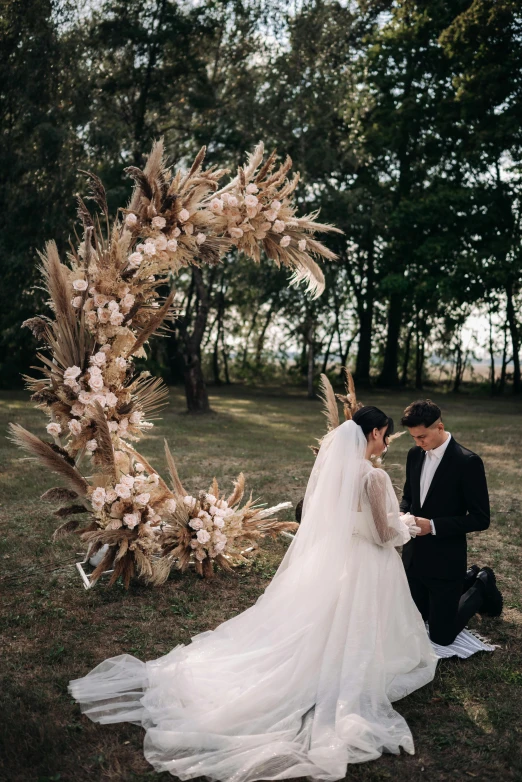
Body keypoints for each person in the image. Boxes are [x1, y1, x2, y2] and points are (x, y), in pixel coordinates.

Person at [69, 408, 437, 781]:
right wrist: (408, 526)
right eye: (385, 435)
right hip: (366, 563)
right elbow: (384, 535)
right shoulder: (373, 477)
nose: (386, 443)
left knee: (325, 615)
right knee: (355, 618)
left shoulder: (336, 472)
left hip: (339, 556)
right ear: (373, 433)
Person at [400, 399, 502, 647]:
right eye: (414, 437)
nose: (418, 443)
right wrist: (402, 514)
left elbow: (481, 518)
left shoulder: (467, 462)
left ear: (439, 427)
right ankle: (468, 578)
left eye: (422, 436)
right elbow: (408, 498)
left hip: (446, 562)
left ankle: (480, 583)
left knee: (441, 637)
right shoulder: (414, 454)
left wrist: (433, 526)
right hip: (414, 560)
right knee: (415, 620)